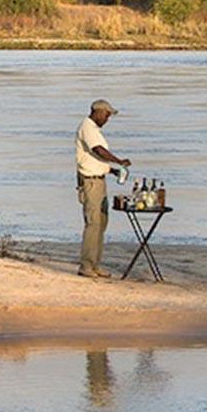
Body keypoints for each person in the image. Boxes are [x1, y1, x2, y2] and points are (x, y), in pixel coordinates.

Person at [75, 99, 131, 278]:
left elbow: (95, 159)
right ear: (98, 112)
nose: (107, 119)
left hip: (100, 180)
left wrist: (113, 170)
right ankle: (86, 265)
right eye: (107, 115)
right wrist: (118, 160)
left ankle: (95, 264)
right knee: (93, 224)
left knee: (101, 223)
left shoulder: (94, 130)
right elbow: (98, 150)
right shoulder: (88, 127)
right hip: (91, 183)